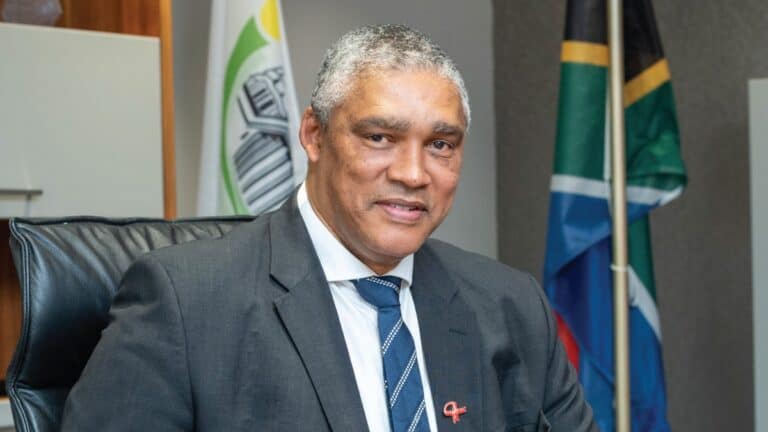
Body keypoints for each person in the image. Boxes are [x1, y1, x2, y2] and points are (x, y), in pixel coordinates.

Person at [61, 24, 596, 431]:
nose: (413, 174)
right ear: (314, 136)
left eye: (440, 145)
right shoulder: (185, 303)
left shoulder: (511, 305)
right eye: (380, 138)